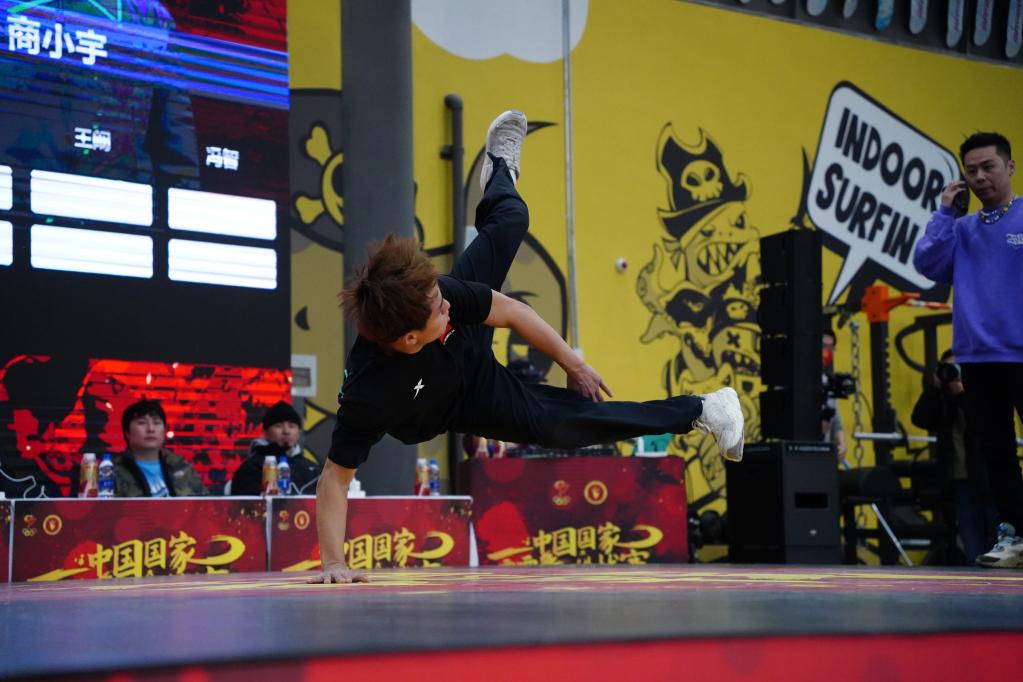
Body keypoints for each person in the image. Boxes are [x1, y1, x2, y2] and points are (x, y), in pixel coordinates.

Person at [309, 111, 745, 584]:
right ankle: (702, 408)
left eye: (441, 294)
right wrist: (334, 564)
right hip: (465, 402)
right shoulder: (369, 393)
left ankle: (500, 169)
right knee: (563, 427)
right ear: (409, 337)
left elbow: (513, 312)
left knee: (513, 218)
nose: (446, 302)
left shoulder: (444, 297)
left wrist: (573, 363)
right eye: (438, 308)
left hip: (466, 350)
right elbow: (335, 478)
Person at [913, 131, 1023, 568]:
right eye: (971, 170)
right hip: (978, 357)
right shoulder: (960, 228)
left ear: (1009, 167)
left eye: (988, 167)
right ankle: (1015, 535)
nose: (979, 177)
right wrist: (945, 212)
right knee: (996, 453)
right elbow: (927, 263)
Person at [911, 350, 996, 563]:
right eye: (948, 368)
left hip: (987, 475)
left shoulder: (981, 393)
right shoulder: (943, 398)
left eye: (958, 368)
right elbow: (920, 418)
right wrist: (935, 387)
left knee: (995, 529)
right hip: (959, 477)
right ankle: (976, 573)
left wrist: (962, 395)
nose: (954, 373)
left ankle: (1000, 574)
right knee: (969, 533)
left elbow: (985, 420)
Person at [112, 400, 206, 497]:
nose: (151, 429)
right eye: (142, 423)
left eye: (156, 423)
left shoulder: (181, 466)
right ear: (127, 433)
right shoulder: (112, 472)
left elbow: (205, 502)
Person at [230, 401, 321, 495]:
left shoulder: (313, 469)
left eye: (292, 426)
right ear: (265, 432)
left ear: (299, 433)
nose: (286, 431)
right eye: (279, 426)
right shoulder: (251, 468)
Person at [821, 327, 847, 463]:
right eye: (823, 346)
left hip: (823, 459)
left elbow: (836, 422)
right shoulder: (792, 381)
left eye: (830, 348)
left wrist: (841, 444)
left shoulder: (826, 381)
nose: (827, 351)